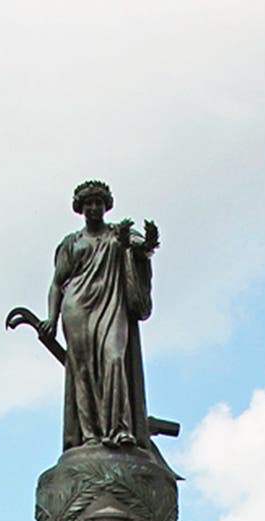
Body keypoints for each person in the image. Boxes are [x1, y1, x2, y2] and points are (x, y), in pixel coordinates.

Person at [42, 180, 159, 454]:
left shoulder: (118, 235)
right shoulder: (71, 243)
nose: (93, 208)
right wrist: (51, 318)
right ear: (80, 208)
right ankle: (90, 436)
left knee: (114, 358)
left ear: (106, 206)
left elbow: (142, 251)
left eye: (98, 203)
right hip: (77, 308)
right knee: (81, 369)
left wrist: (149, 242)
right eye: (88, 204)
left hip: (112, 304)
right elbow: (58, 283)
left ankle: (119, 430)